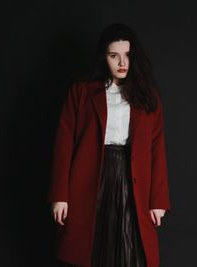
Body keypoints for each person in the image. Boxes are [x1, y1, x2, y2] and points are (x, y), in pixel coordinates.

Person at [48, 23, 171, 267]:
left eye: (127, 55)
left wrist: (158, 200)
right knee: (91, 245)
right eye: (114, 56)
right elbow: (63, 145)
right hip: (91, 177)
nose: (121, 62)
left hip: (132, 179)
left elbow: (157, 149)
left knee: (130, 249)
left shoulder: (148, 97)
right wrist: (60, 195)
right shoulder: (81, 91)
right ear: (104, 57)